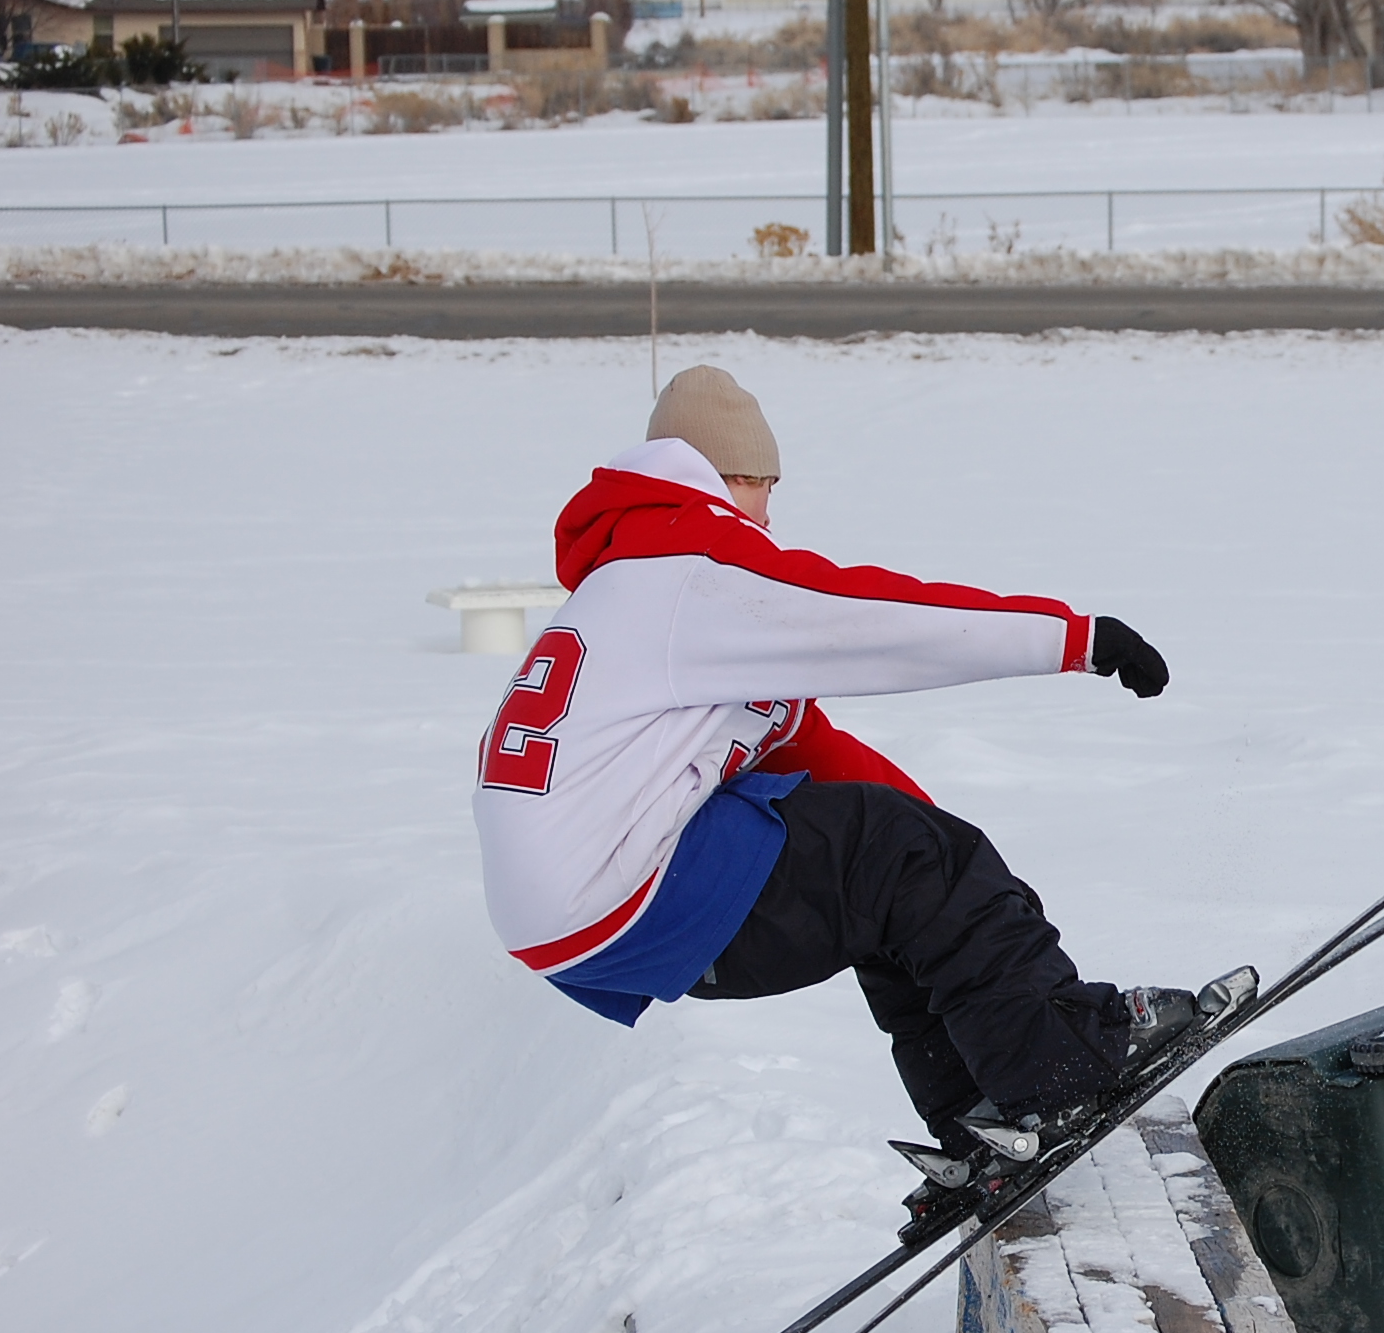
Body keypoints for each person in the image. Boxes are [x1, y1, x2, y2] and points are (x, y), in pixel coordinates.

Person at [470, 366, 1215, 1239]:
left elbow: (817, 757)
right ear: (724, 476)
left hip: (582, 909)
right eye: (762, 485)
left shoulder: (634, 583)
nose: (768, 511)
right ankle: (1061, 1065)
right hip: (623, 893)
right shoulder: (695, 568)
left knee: (895, 870)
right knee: (895, 859)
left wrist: (966, 875)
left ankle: (981, 1109)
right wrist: (1074, 638)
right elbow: (871, 616)